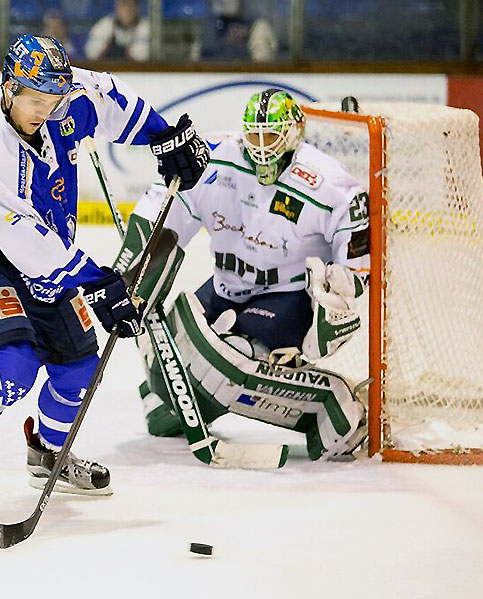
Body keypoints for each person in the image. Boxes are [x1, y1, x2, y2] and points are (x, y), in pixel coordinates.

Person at [0, 34, 209, 523]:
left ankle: (48, 454)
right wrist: (99, 281)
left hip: (45, 249)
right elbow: (24, 241)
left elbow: (107, 98)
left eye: (53, 100)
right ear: (8, 88)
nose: (45, 110)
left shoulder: (65, 94)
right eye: (34, 100)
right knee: (12, 367)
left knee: (79, 368)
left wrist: (163, 136)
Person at [116, 89, 369, 463]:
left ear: (296, 132)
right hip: (226, 286)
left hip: (285, 297)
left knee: (229, 359)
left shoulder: (327, 182)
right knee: (162, 381)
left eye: (273, 136)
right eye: (255, 136)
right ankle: (205, 398)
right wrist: (136, 269)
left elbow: (355, 256)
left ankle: (330, 403)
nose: (262, 147)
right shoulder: (216, 161)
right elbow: (165, 200)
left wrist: (340, 287)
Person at [202, 0, 278, 62]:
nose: (224, 1)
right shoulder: (214, 24)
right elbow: (204, 57)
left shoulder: (259, 26)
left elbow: (263, 70)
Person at [84, 0, 150, 62]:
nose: (126, 10)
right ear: (116, 7)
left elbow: (142, 57)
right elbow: (91, 55)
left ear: (137, 8)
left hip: (135, 72)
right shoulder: (104, 25)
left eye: (129, 5)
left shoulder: (146, 27)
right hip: (106, 71)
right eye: (123, 5)